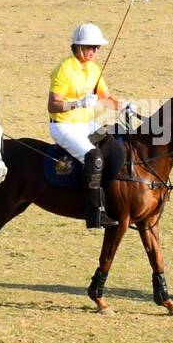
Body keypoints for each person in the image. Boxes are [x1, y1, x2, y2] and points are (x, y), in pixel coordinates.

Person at [47, 22, 135, 228]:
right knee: (94, 159)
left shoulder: (94, 69)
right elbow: (53, 104)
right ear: (78, 47)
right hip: (64, 126)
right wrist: (76, 103)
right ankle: (94, 213)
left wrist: (123, 106)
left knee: (114, 142)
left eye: (97, 47)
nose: (95, 51)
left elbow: (105, 98)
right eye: (90, 47)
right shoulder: (64, 69)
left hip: (87, 124)